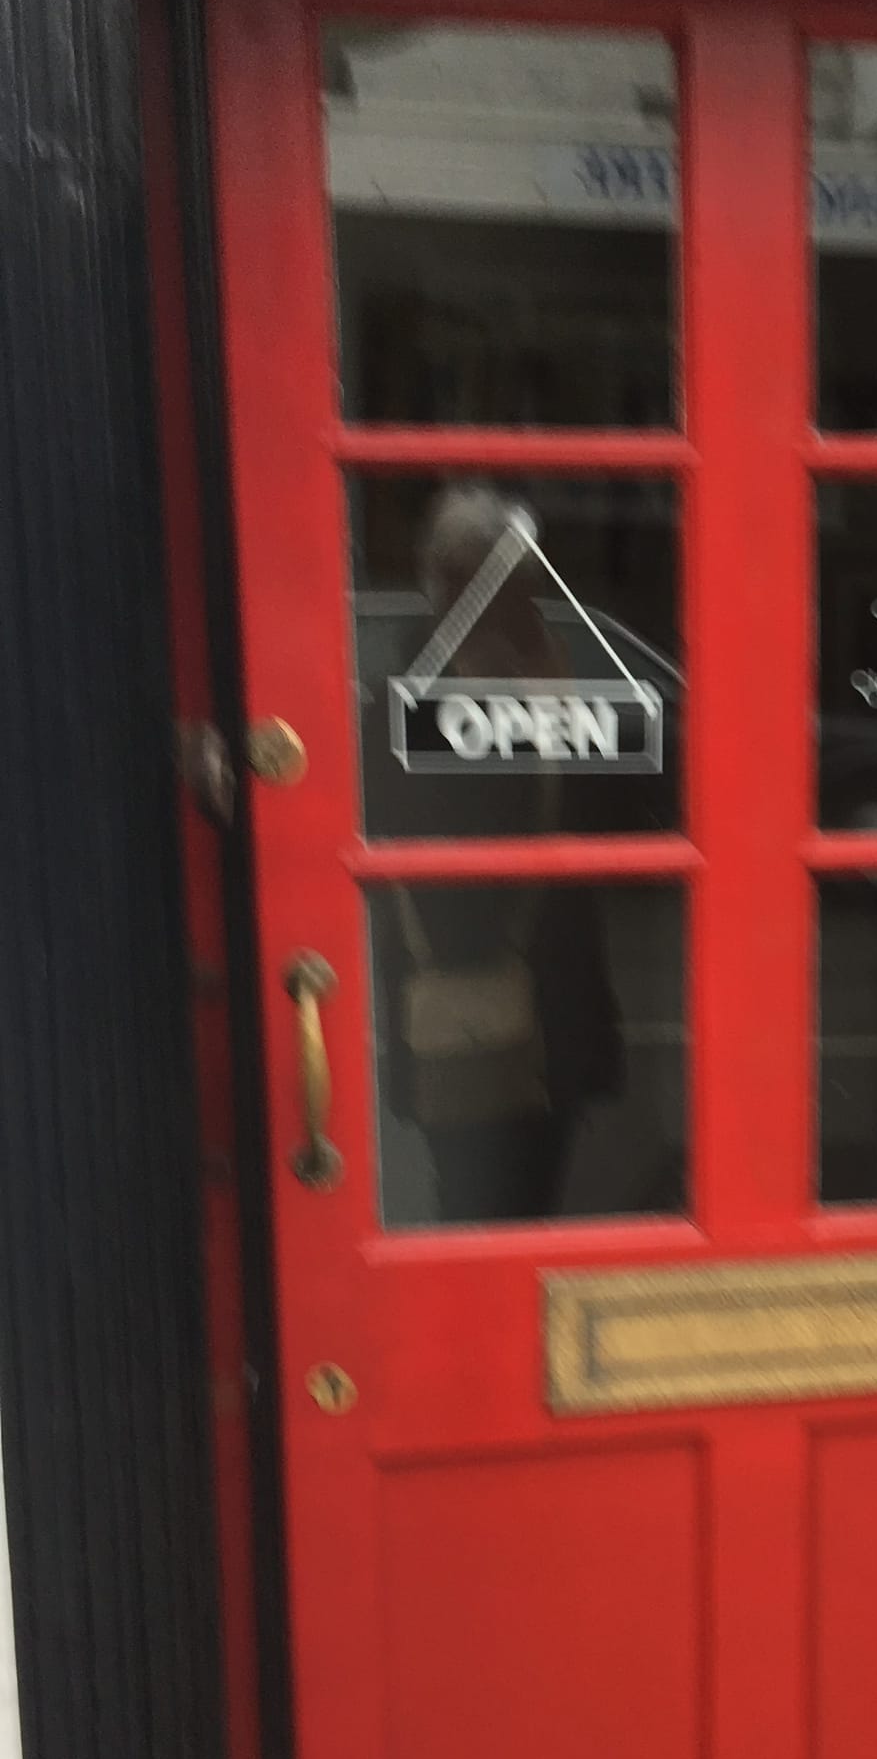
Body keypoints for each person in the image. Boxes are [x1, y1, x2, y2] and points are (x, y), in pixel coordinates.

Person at [371, 482, 625, 1226]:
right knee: (475, 1206)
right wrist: (526, 712)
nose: (518, 604)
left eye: (521, 585)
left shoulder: (552, 683)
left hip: (555, 1003)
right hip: (462, 997)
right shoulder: (405, 698)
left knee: (534, 1205)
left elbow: (618, 813)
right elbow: (417, 822)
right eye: (499, 583)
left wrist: (557, 709)